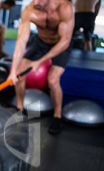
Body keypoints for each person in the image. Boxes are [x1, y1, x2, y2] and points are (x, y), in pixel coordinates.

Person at [8, 0, 74, 134]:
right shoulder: (29, 10)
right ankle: (19, 110)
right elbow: (21, 41)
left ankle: (57, 116)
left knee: (53, 81)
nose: (36, 2)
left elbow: (65, 41)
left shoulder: (64, 7)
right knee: (20, 73)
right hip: (41, 42)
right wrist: (13, 71)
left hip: (61, 44)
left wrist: (40, 62)